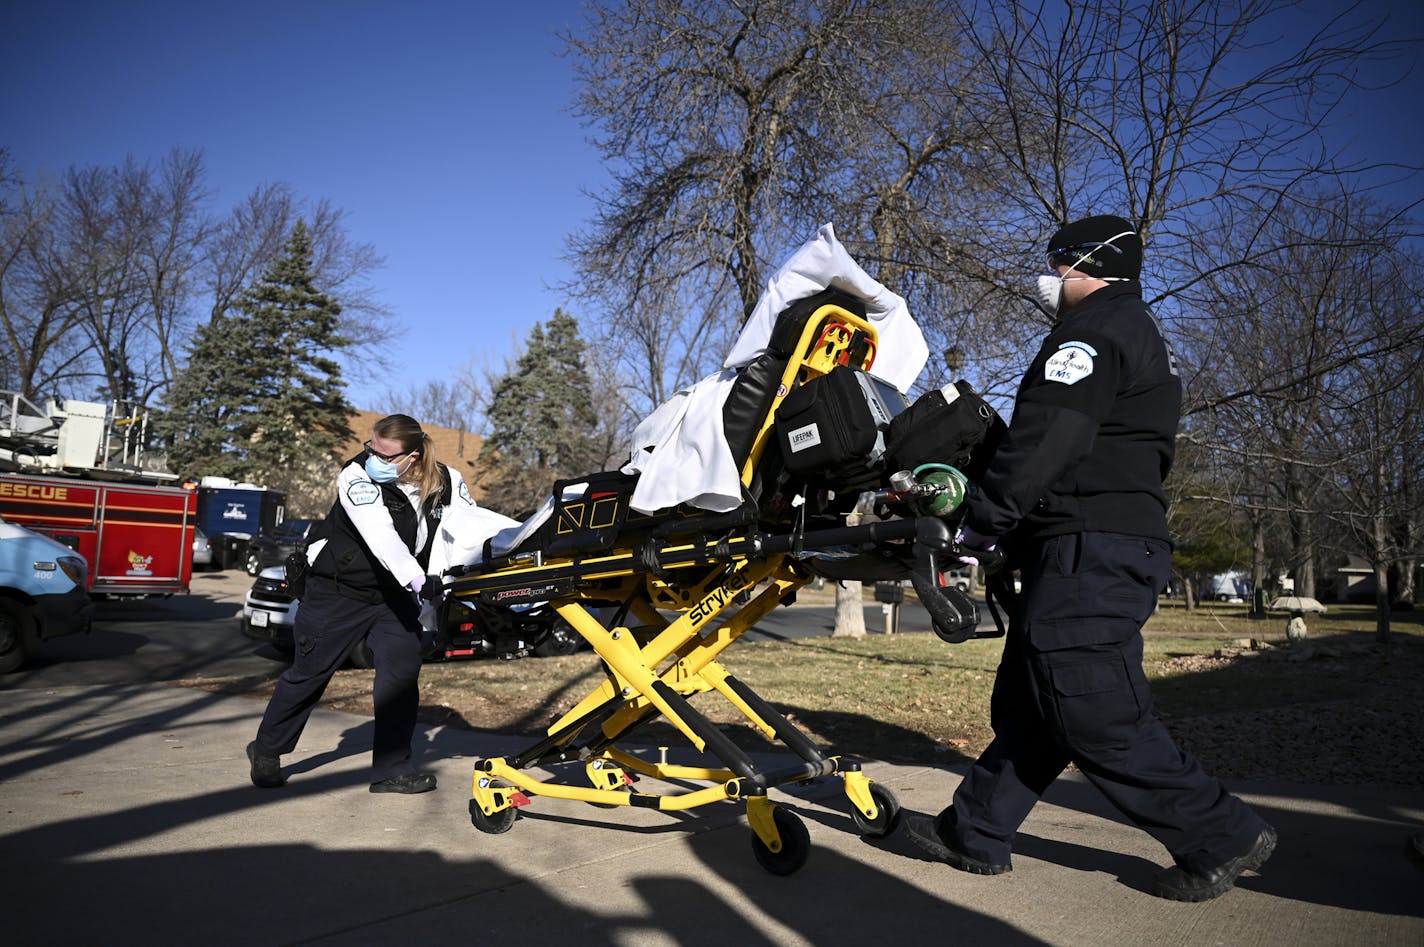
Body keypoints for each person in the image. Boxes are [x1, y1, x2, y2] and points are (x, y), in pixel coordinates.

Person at [902, 214, 1275, 901]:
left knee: (1091, 706)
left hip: (1090, 545)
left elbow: (1049, 438)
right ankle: (976, 828)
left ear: (1087, 264)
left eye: (1058, 262)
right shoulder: (1133, 330)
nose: (1051, 277)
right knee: (1036, 703)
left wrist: (982, 520)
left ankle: (1221, 833)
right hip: (1091, 541)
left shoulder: (1091, 335)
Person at [246, 414, 477, 794]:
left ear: (413, 456)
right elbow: (379, 533)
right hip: (338, 591)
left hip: (395, 597)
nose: (372, 457)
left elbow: (469, 524)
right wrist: (415, 577)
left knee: (400, 678)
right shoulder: (356, 475)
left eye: (385, 454)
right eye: (371, 447)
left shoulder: (447, 481)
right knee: (309, 674)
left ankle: (391, 770)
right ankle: (267, 750)